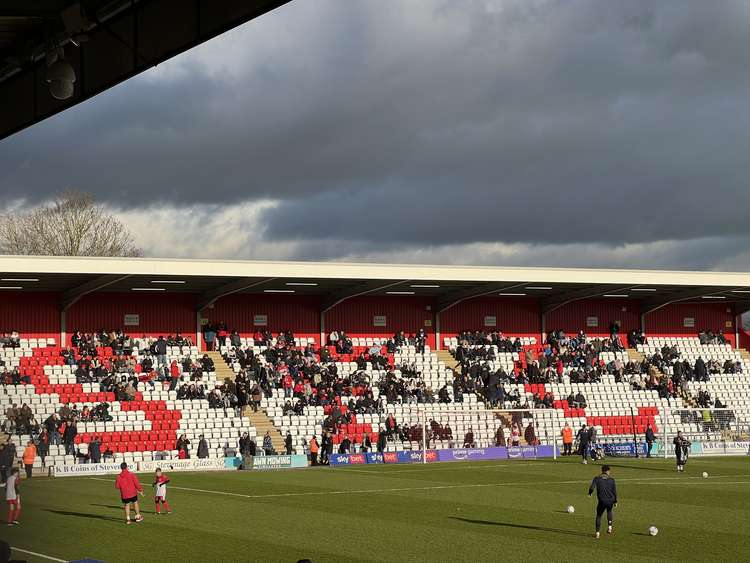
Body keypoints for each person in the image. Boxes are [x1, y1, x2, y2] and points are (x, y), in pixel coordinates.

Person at [587, 464, 617, 539]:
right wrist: (615, 501)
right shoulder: (612, 479)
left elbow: (592, 487)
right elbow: (614, 491)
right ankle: (610, 527)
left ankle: (597, 533)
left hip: (602, 501)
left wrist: (590, 493)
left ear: (602, 471)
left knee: (599, 515)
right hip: (611, 499)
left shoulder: (597, 478)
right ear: (608, 471)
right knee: (609, 511)